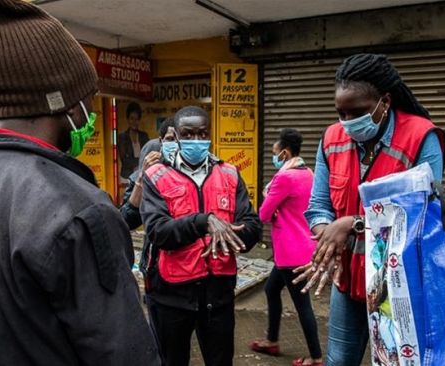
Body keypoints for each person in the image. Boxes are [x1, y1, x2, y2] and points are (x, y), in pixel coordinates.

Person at [0, 1, 159, 365]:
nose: (90, 113)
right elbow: (124, 354)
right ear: (69, 106)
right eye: (89, 100)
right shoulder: (79, 209)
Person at [294, 53, 445, 366]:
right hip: (348, 280)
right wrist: (328, 242)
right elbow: (318, 207)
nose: (347, 122)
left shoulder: (421, 137)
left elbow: (425, 218)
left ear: (384, 102)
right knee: (338, 361)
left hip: (401, 287)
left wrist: (353, 224)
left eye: (357, 112)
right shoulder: (331, 138)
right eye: (341, 113)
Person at [141, 106, 262, 366]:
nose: (196, 141)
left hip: (218, 298)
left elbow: (252, 225)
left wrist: (233, 235)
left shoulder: (229, 174)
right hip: (171, 297)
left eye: (202, 133)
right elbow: (158, 231)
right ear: (177, 135)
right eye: (188, 134)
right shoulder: (156, 175)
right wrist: (203, 222)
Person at [250, 128, 322, 366]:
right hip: (302, 248)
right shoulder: (308, 173)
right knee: (271, 289)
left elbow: (263, 214)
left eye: (274, 153)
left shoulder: (284, 178)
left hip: (291, 254)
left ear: (284, 153)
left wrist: (270, 200)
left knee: (303, 306)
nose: (273, 157)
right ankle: (272, 340)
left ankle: (316, 357)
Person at [121, 117, 177, 230]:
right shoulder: (148, 172)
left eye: (180, 139)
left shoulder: (198, 172)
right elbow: (126, 221)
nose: (176, 144)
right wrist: (143, 178)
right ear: (161, 141)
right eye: (170, 139)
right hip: (156, 243)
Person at [119, 102, 150, 179]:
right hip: (127, 177)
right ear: (128, 119)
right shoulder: (122, 137)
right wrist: (142, 161)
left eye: (136, 119)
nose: (134, 122)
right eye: (132, 118)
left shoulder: (144, 136)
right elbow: (125, 161)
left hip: (143, 175)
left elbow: (148, 155)